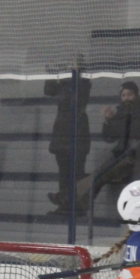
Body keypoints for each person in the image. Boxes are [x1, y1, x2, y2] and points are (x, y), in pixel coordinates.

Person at [83, 81, 140, 208]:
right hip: (121, 156)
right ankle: (72, 199)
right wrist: (108, 120)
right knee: (96, 176)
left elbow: (134, 131)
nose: (126, 98)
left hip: (136, 159)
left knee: (98, 176)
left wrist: (114, 120)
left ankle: (74, 201)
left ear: (136, 95)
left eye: (130, 94)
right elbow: (109, 137)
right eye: (123, 95)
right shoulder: (120, 113)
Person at [44, 76, 92, 213]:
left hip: (77, 134)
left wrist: (65, 79)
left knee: (76, 173)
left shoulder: (82, 82)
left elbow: (73, 99)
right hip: (61, 134)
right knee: (63, 174)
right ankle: (64, 205)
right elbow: (49, 90)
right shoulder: (64, 83)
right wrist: (53, 74)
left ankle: (76, 206)